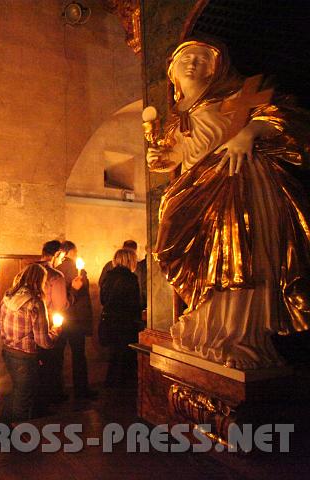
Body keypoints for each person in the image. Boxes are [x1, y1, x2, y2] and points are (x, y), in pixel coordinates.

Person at [146, 39, 310, 369]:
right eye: (185, 59)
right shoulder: (177, 116)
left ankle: (239, 334)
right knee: (194, 254)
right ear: (173, 73)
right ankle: (205, 325)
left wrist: (249, 132)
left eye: (202, 58)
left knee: (237, 253)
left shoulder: (233, 97)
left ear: (218, 67)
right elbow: (182, 153)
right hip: (195, 190)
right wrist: (165, 156)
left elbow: (281, 115)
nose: (192, 63)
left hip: (236, 179)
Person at [0, 263, 59, 423]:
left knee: (17, 392)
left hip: (7, 352)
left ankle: (1, 429)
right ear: (40, 280)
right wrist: (55, 332)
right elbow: (44, 342)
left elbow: (1, 327)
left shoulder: (8, 296)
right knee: (23, 400)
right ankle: (19, 437)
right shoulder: (35, 303)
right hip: (25, 357)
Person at [56, 241, 97, 400]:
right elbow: (82, 290)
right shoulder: (78, 271)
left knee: (57, 355)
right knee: (78, 356)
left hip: (60, 318)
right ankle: (81, 390)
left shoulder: (57, 270)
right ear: (71, 252)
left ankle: (57, 391)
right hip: (77, 321)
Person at [100, 249, 142, 387]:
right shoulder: (131, 278)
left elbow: (102, 300)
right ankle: (122, 390)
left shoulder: (108, 276)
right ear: (130, 261)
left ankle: (111, 386)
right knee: (125, 358)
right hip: (125, 324)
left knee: (114, 357)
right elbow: (134, 304)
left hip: (109, 322)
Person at [35, 240, 70, 409]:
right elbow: (60, 305)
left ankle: (37, 403)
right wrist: (74, 293)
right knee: (52, 366)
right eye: (62, 256)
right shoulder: (56, 276)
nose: (63, 260)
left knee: (36, 369)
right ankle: (48, 403)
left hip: (29, 329)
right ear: (56, 254)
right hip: (49, 328)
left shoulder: (28, 271)